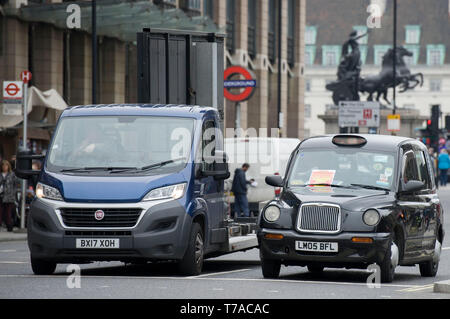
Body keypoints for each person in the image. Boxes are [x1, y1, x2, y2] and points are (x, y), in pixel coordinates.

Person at [0, 160, 17, 232]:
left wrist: (13, 193)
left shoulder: (12, 174)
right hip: (1, 195)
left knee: (8, 212)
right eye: (3, 165)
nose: (4, 167)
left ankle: (9, 226)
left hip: (9, 196)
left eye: (6, 165)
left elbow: (15, 185)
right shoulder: (0, 174)